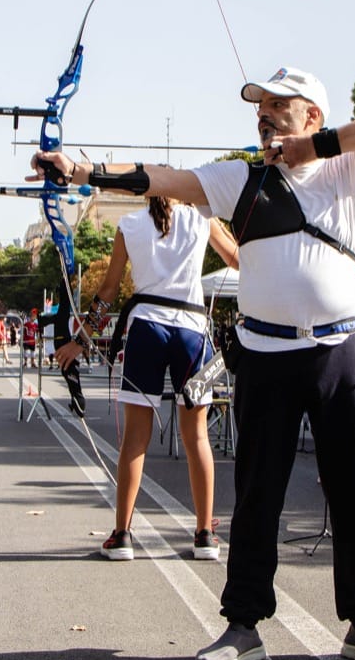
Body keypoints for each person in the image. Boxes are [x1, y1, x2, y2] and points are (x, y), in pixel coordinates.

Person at [33, 65, 355, 660]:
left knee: (352, 489)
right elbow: (162, 178)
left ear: (312, 114)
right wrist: (82, 172)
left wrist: (312, 148)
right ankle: (243, 625)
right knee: (258, 491)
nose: (263, 114)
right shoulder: (239, 178)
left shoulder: (350, 167)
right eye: (258, 107)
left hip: (340, 349)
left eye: (277, 106)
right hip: (265, 353)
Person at [56, 196, 239, 561]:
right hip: (193, 333)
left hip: (146, 330)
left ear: (146, 192)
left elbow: (108, 291)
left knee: (135, 439)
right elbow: (240, 259)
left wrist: (80, 341)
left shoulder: (129, 225)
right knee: (197, 435)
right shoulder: (203, 217)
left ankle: (122, 534)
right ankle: (204, 534)